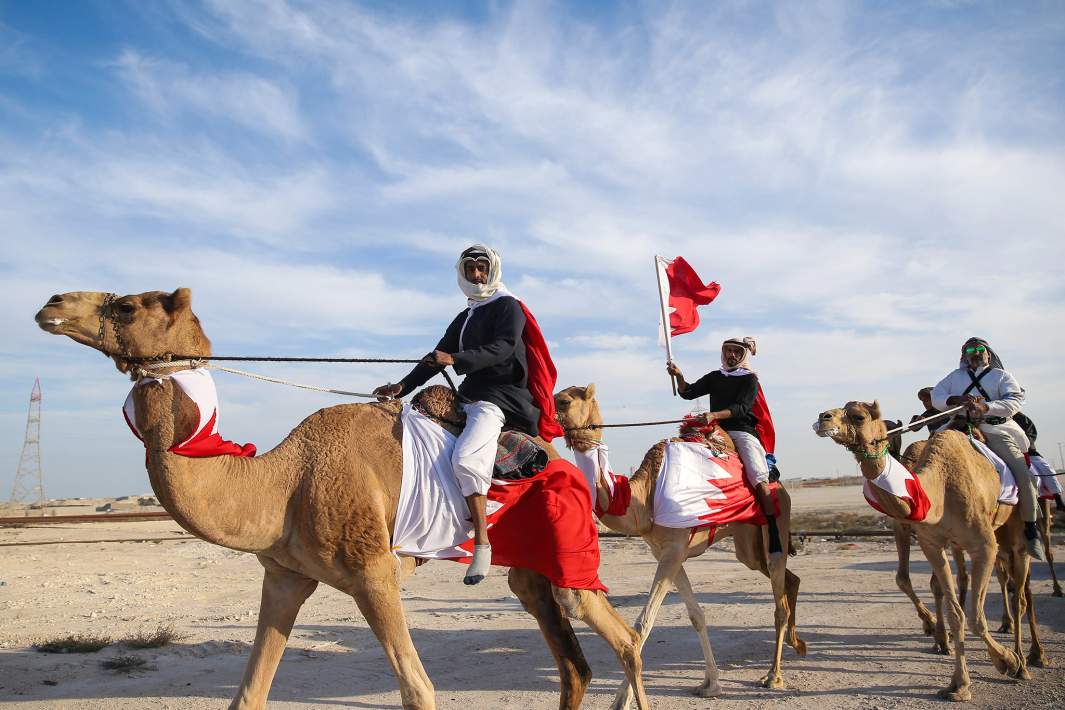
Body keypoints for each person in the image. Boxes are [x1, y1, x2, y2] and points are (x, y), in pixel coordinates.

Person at [373, 245, 558, 585]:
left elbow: (502, 348)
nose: (476, 275)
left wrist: (457, 360)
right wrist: (402, 385)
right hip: (468, 396)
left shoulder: (508, 307)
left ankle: (482, 545)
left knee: (467, 460)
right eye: (470, 268)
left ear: (493, 269)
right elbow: (436, 355)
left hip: (498, 398)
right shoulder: (467, 315)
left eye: (481, 268)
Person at [666, 337, 782, 559]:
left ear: (743, 355)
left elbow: (741, 408)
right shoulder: (715, 376)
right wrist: (679, 375)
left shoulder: (749, 379)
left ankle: (773, 529)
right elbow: (688, 392)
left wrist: (713, 415)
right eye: (727, 350)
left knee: (758, 475)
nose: (730, 355)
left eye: (735, 352)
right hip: (715, 430)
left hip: (741, 431)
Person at [931, 337, 1044, 560]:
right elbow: (937, 396)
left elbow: (1014, 400)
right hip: (959, 428)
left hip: (995, 431)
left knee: (1024, 475)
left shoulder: (1001, 376)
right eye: (970, 350)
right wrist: (957, 399)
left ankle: (1031, 530)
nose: (975, 353)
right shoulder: (955, 377)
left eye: (979, 349)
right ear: (964, 356)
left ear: (988, 353)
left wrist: (985, 406)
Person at [1013, 412, 1065, 512]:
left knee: (1047, 469)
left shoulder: (1019, 417)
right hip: (1004, 451)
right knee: (1031, 475)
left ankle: (1058, 499)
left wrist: (1022, 443)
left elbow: (1031, 434)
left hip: (1028, 451)